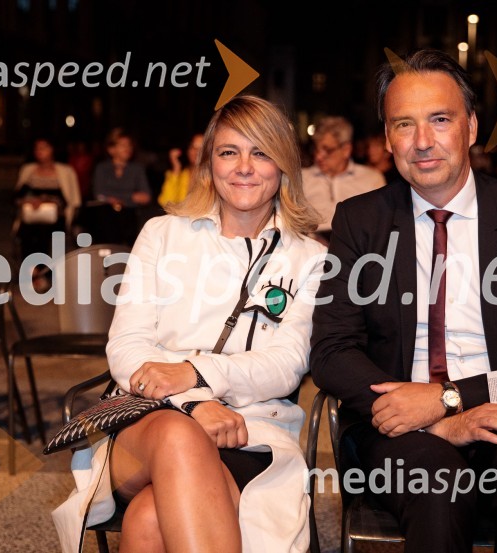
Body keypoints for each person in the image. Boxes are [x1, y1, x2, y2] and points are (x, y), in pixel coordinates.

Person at [310, 49, 497, 553]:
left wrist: (451, 400)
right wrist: (429, 415)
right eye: (403, 124)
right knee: (437, 486)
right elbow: (333, 350)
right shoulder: (360, 221)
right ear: (387, 139)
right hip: (397, 430)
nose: (422, 142)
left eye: (440, 120)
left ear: (471, 127)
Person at [53, 95, 325, 553]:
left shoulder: (310, 257)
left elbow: (287, 363)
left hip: (250, 430)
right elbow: (127, 346)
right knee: (179, 435)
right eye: (228, 152)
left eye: (261, 152)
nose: (244, 167)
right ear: (208, 163)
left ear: (284, 165)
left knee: (149, 518)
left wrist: (195, 373)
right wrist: (195, 401)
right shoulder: (163, 234)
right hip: (148, 421)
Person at [301, 116, 385, 241]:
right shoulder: (301, 178)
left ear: (346, 150)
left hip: (358, 248)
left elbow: (382, 225)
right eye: (316, 149)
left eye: (327, 150)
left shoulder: (371, 179)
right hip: (311, 246)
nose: (319, 156)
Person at [14, 138, 81, 265]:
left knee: (49, 234)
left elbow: (71, 200)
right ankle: (32, 272)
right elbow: (17, 196)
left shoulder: (65, 171)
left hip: (56, 218)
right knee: (28, 233)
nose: (40, 151)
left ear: (52, 149)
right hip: (31, 218)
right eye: (37, 148)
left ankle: (46, 273)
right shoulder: (29, 170)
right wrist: (29, 201)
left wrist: (47, 201)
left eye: (44, 148)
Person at [91, 128, 153, 244]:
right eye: (123, 145)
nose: (127, 148)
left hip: (130, 220)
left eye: (129, 145)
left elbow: (146, 197)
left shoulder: (137, 169)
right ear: (111, 149)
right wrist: (131, 197)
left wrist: (114, 197)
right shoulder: (102, 168)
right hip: (105, 220)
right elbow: (98, 194)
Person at [157, 132, 203, 207]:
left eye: (202, 148)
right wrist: (176, 168)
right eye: (193, 147)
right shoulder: (180, 174)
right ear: (187, 150)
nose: (197, 152)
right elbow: (165, 202)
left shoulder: (214, 176)